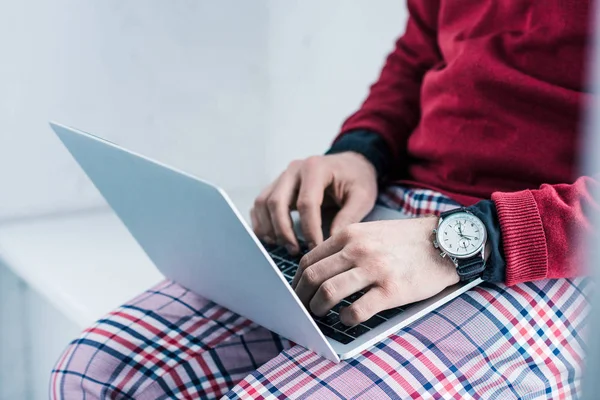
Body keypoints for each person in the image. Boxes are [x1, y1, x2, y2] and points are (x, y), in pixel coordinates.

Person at [51, 1, 597, 398]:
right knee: (93, 374)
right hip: (397, 207)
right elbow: (420, 56)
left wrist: (461, 243)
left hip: (547, 255)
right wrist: (361, 151)